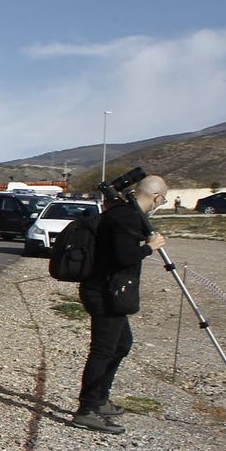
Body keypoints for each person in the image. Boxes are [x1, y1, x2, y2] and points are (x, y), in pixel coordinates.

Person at [73, 174, 168, 433]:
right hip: (106, 293)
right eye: (163, 199)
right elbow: (124, 256)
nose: (161, 203)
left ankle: (100, 398)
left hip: (104, 290)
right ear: (157, 197)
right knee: (103, 349)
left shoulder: (120, 213)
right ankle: (87, 409)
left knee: (122, 344)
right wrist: (150, 247)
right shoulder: (125, 216)